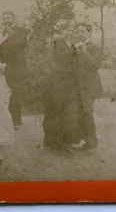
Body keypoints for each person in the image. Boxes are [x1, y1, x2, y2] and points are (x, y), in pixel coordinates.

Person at [43, 19, 82, 152]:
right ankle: (53, 142)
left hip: (68, 80)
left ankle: (63, 141)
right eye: (67, 30)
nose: (69, 32)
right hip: (58, 80)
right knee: (56, 110)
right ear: (61, 31)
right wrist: (73, 49)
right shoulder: (58, 42)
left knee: (67, 112)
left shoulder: (70, 43)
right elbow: (60, 58)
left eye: (71, 30)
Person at [73, 22, 102, 151]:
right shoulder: (76, 47)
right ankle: (84, 141)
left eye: (82, 31)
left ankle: (92, 143)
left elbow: (96, 65)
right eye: (78, 31)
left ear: (89, 32)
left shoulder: (94, 47)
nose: (80, 34)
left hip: (90, 86)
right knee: (79, 113)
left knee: (87, 113)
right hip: (78, 85)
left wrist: (84, 52)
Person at [0, 11, 29, 129]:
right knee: (4, 92)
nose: (6, 20)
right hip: (5, 65)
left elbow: (21, 44)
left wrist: (10, 35)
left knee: (16, 92)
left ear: (13, 18)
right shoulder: (2, 31)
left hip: (17, 66)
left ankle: (16, 121)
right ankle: (5, 121)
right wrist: (1, 61)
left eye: (8, 18)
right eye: (4, 18)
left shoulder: (20, 30)